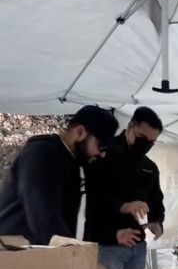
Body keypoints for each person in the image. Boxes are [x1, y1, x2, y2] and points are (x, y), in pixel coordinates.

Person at [0, 105, 118, 245]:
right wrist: (74, 254)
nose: (101, 153)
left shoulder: (74, 161)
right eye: (101, 145)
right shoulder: (42, 153)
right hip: (19, 252)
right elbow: (43, 217)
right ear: (80, 132)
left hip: (44, 252)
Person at [84, 106, 165, 269]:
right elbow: (91, 199)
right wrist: (123, 207)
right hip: (107, 246)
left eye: (152, 142)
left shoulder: (149, 167)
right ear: (130, 127)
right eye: (142, 138)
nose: (146, 145)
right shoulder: (103, 154)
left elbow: (157, 202)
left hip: (139, 248)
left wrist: (157, 222)